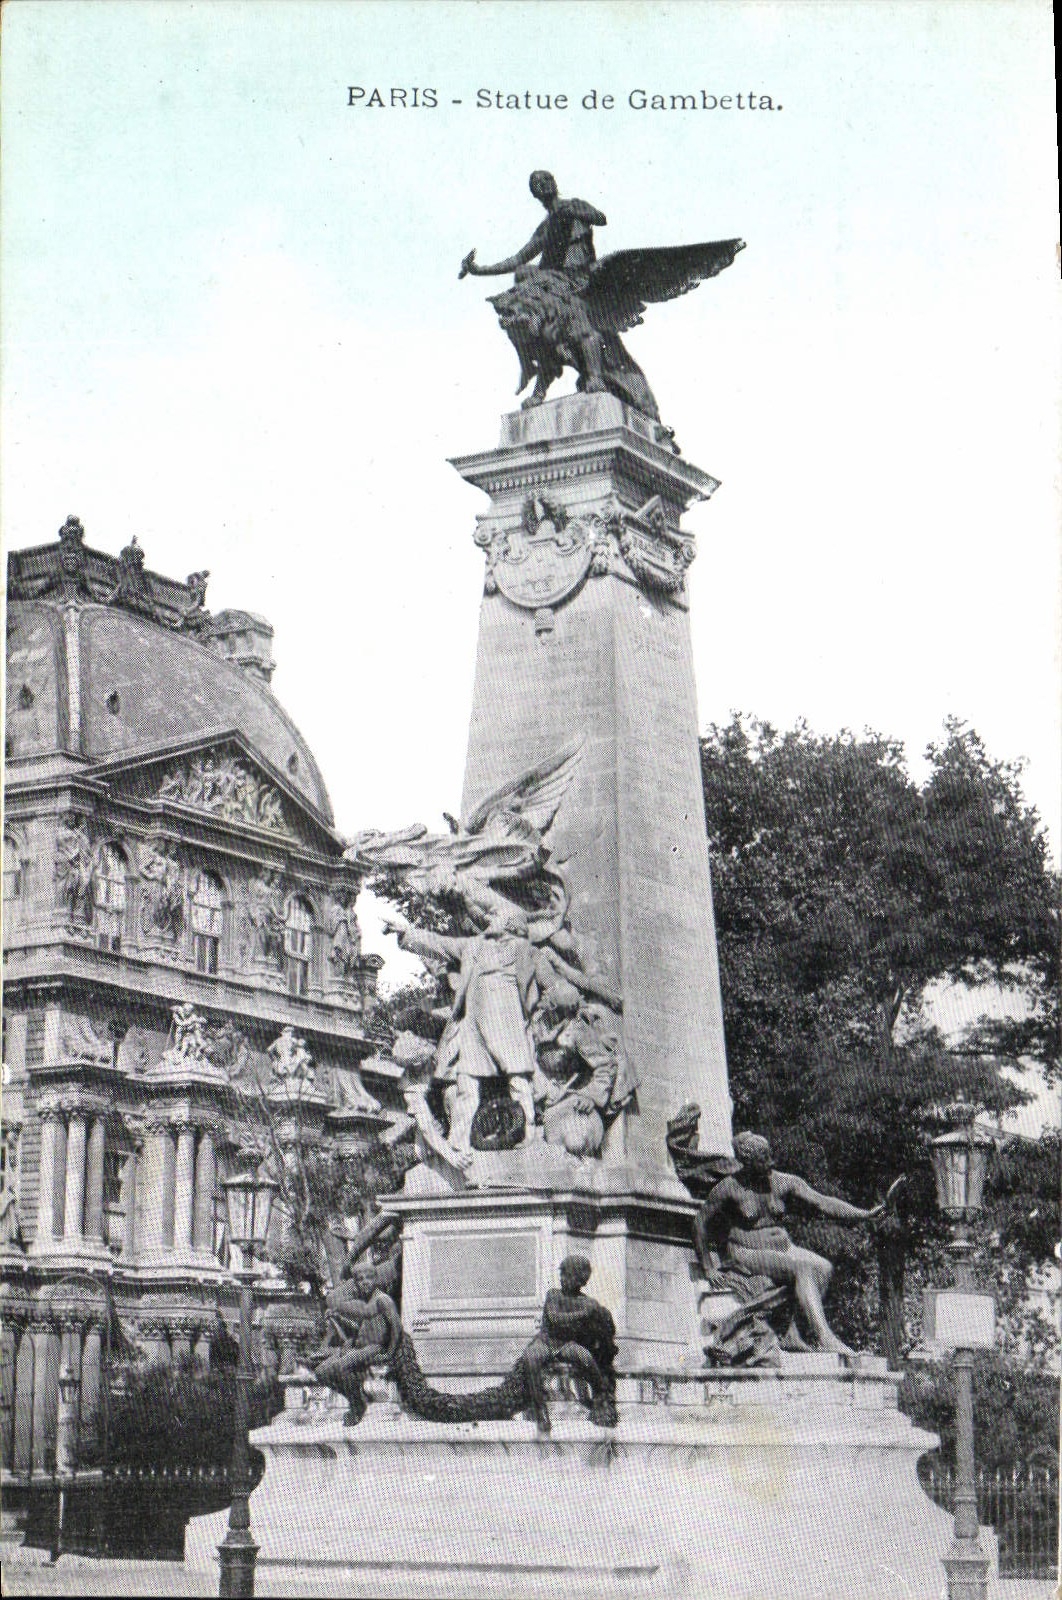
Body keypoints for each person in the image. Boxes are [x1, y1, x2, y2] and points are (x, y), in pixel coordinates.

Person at [695, 1132, 891, 1355]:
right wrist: (708, 1267)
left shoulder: (783, 1182)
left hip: (783, 1248)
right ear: (747, 1163)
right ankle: (824, 1338)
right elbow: (700, 1222)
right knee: (802, 1268)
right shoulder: (730, 1187)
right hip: (746, 1251)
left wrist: (863, 1214)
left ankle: (795, 1333)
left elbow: (822, 1202)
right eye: (763, 1161)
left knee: (824, 1268)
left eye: (769, 1157)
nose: (771, 1164)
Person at [382, 904, 539, 1150]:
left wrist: (524, 1021)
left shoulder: (521, 949)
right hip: (475, 1026)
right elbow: (439, 943)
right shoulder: (473, 945)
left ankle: (528, 1131)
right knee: (467, 1082)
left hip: (506, 1022)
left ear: (512, 924)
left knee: (518, 1078)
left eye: (496, 915)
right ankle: (458, 1141)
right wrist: (407, 932)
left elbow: (528, 991)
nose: (490, 918)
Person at [521, 1255, 618, 1432]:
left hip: (567, 1344)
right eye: (562, 1275)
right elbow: (554, 1317)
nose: (563, 1279)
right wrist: (584, 1314)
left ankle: (599, 1398)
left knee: (586, 1358)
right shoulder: (554, 1294)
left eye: (567, 1276)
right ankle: (539, 1409)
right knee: (531, 1357)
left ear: (580, 1280)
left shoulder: (587, 1302)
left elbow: (604, 1326)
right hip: (546, 1341)